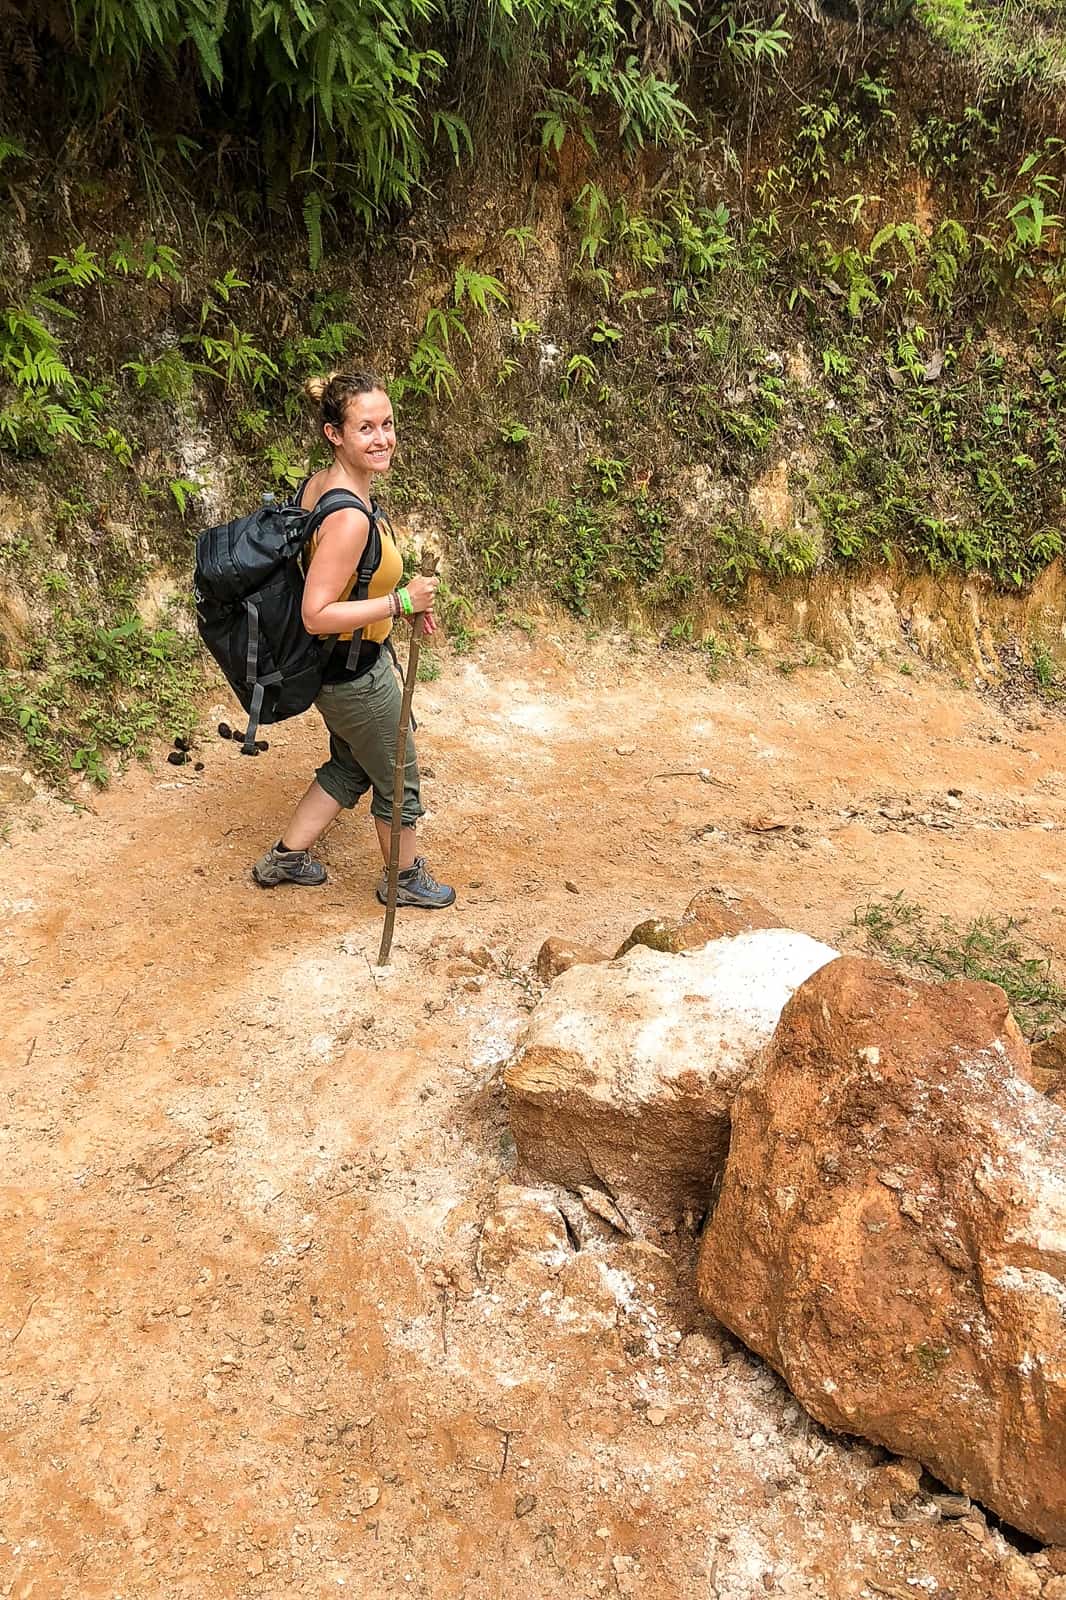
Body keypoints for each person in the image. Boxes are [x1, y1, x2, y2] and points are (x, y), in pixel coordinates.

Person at [252, 371, 455, 909]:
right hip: (354, 676)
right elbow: (317, 612)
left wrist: (399, 609)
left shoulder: (322, 484)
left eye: (387, 424)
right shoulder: (348, 517)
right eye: (365, 427)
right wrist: (399, 603)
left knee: (351, 765)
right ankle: (404, 878)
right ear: (334, 434)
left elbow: (351, 580)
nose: (382, 438)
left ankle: (285, 857)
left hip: (335, 668)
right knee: (397, 774)